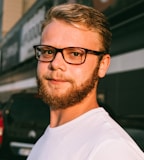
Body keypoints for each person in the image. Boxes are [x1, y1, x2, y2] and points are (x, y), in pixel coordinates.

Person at [27, 3, 144, 160]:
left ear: (102, 65)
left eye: (75, 54)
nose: (55, 64)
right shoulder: (47, 138)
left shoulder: (111, 150)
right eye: (48, 51)